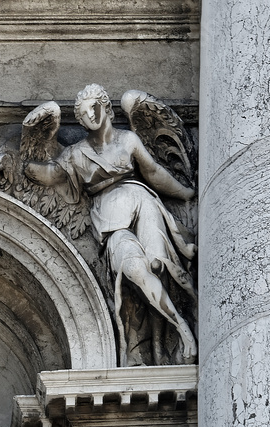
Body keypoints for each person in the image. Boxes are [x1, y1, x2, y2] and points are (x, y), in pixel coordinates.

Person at [26, 84, 198, 365]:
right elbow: (52, 174)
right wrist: (26, 161)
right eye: (83, 113)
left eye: (94, 107)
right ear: (80, 122)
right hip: (110, 218)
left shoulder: (128, 140)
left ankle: (176, 332)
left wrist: (185, 193)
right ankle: (181, 327)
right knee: (134, 268)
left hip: (143, 203)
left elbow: (153, 172)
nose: (90, 115)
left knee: (158, 264)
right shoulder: (76, 153)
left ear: (106, 106)